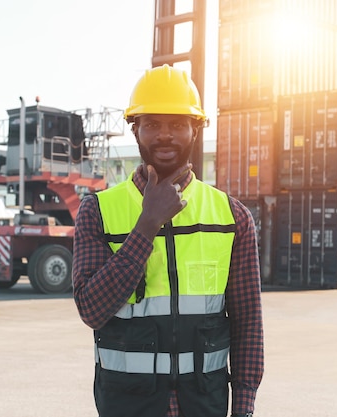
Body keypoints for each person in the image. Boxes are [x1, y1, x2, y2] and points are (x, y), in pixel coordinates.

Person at [72, 64, 264, 417]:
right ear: (135, 129)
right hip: (126, 404)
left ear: (196, 129)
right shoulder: (97, 211)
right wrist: (147, 224)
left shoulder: (232, 217)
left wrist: (244, 406)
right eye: (152, 124)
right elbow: (91, 309)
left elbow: (247, 320)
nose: (165, 135)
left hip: (203, 403)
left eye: (177, 124)